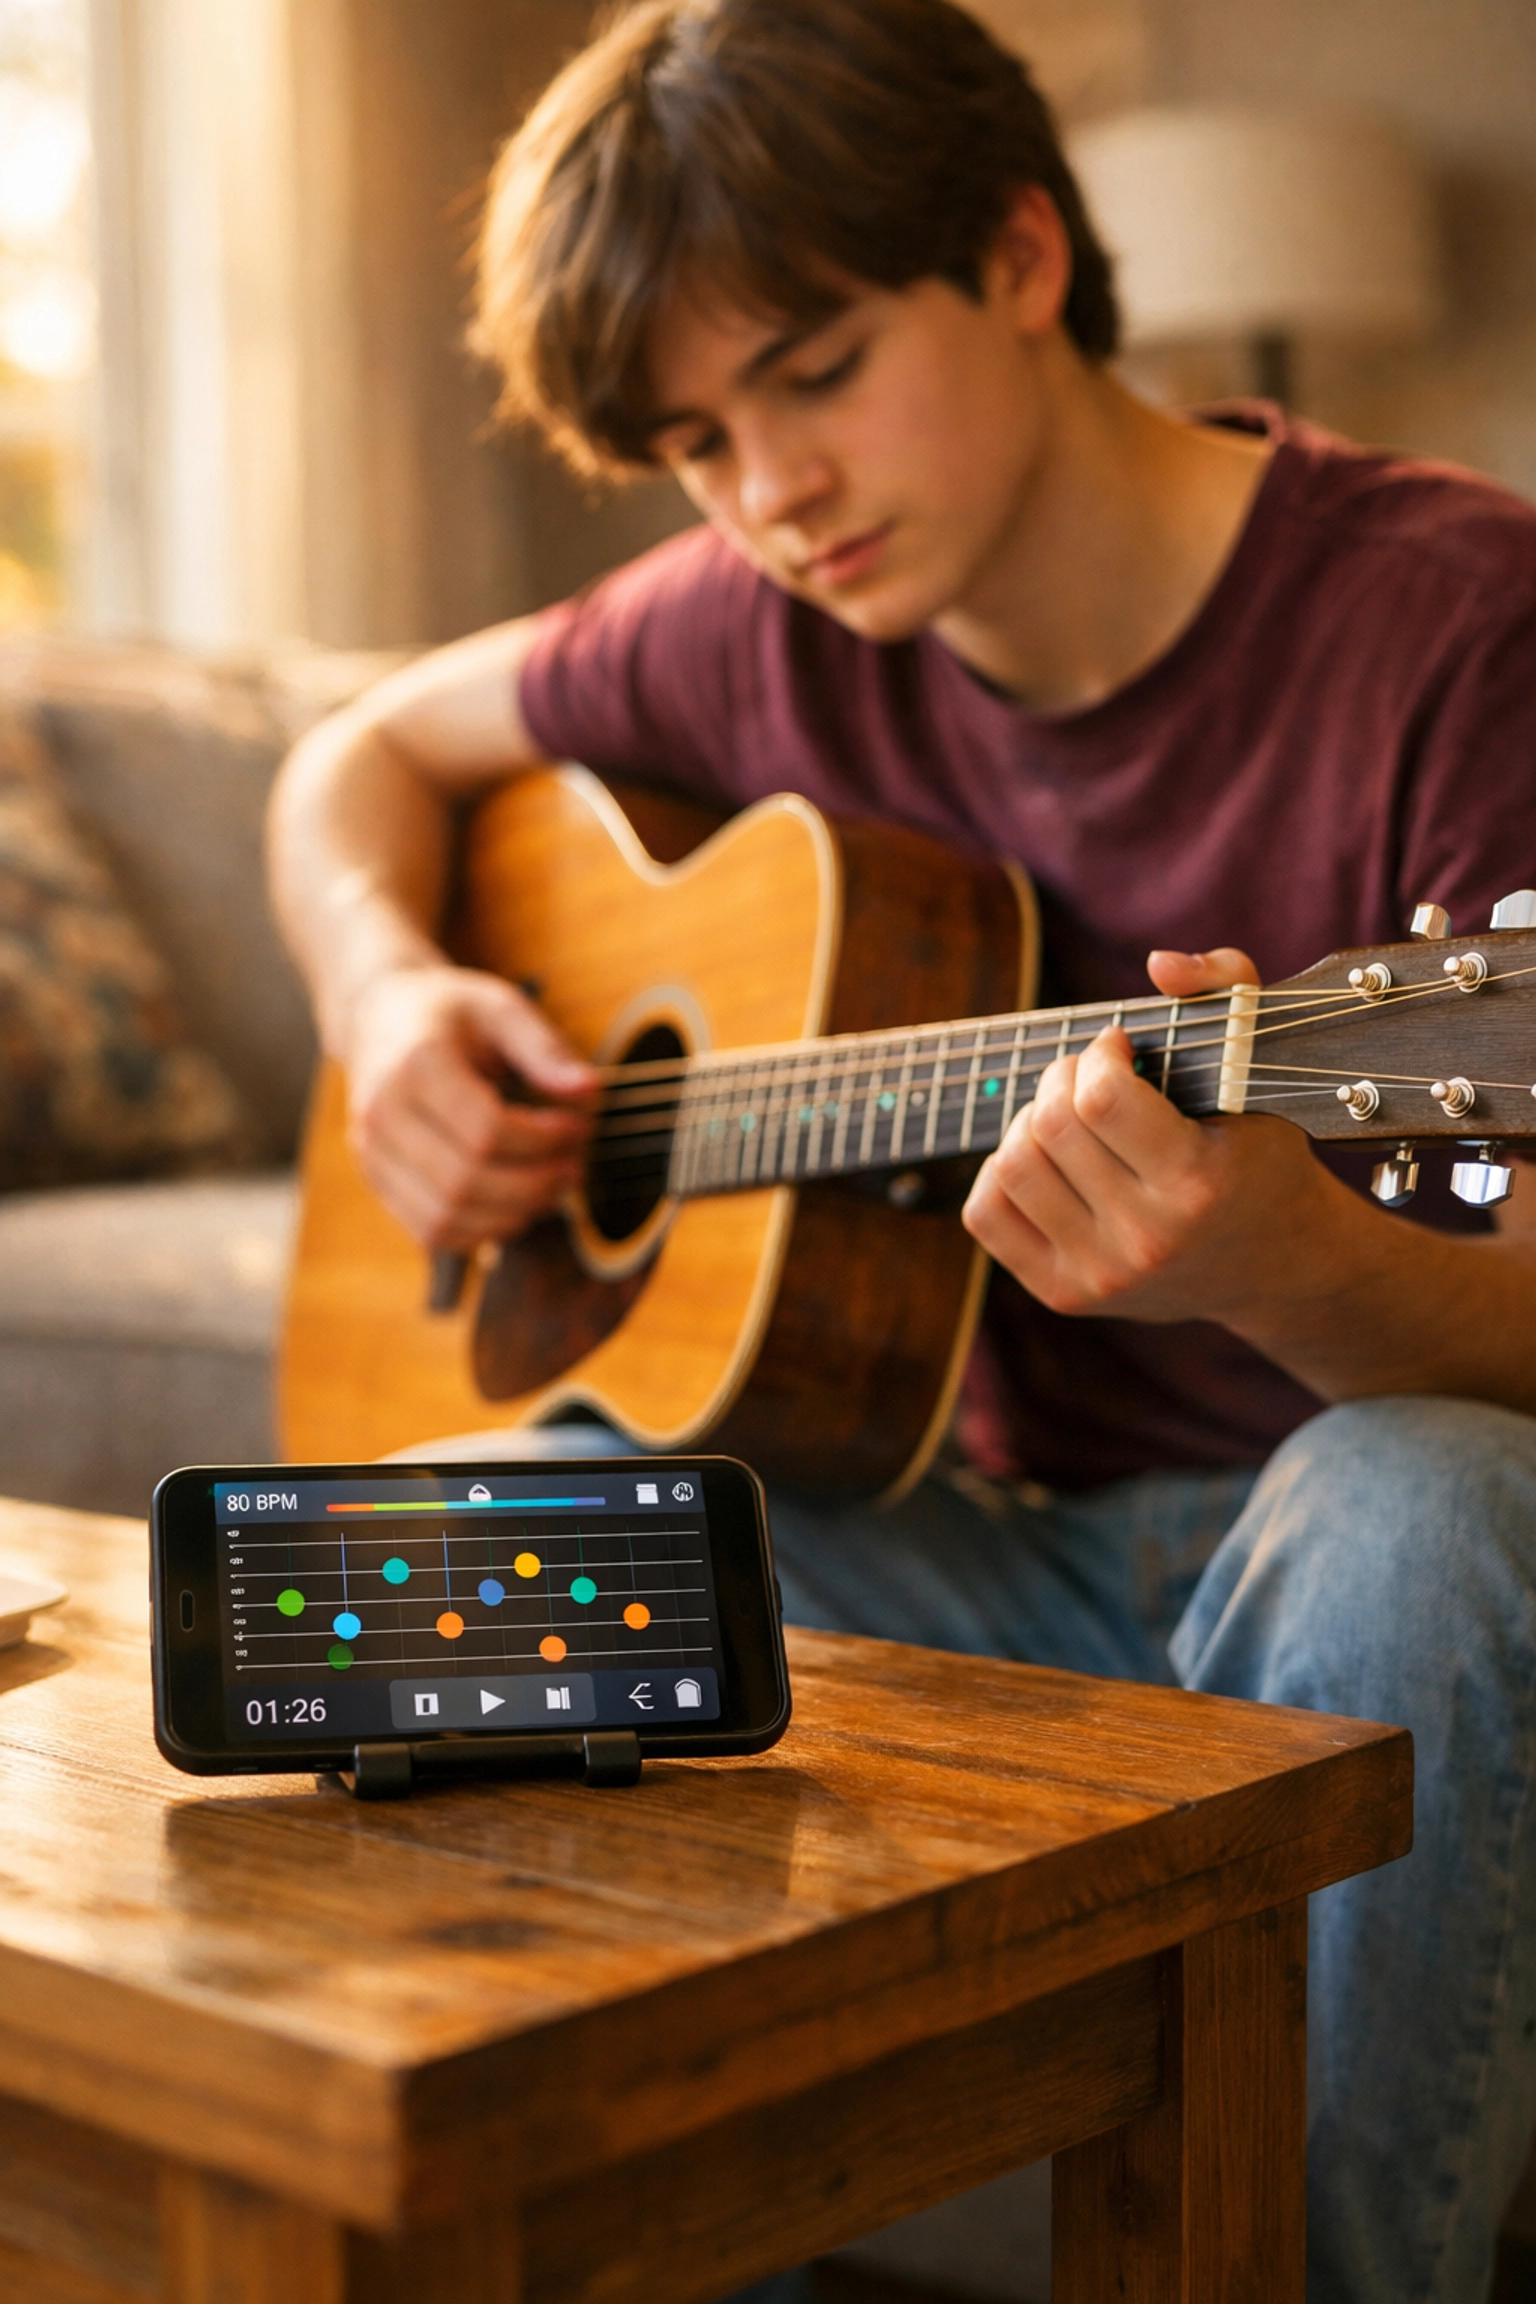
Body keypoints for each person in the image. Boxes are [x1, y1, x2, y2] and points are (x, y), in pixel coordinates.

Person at [268, 3, 1536, 2296]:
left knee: (1430, 1494)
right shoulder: (762, 628)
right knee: (437, 1556)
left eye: (820, 368)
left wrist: (1268, 1258)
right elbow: (348, 763)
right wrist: (385, 999)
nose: (770, 493)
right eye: (692, 442)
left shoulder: (1460, 622)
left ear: (1026, 253)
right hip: (965, 1557)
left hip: (1337, 1553)